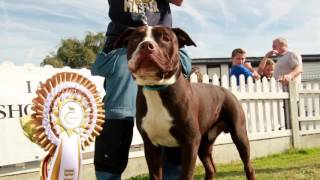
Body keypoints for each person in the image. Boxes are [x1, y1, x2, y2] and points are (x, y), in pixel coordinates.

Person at [91, 0, 191, 179]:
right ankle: (108, 176)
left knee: (178, 116)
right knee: (119, 113)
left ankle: (174, 175)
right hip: (124, 45)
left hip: (165, 44)